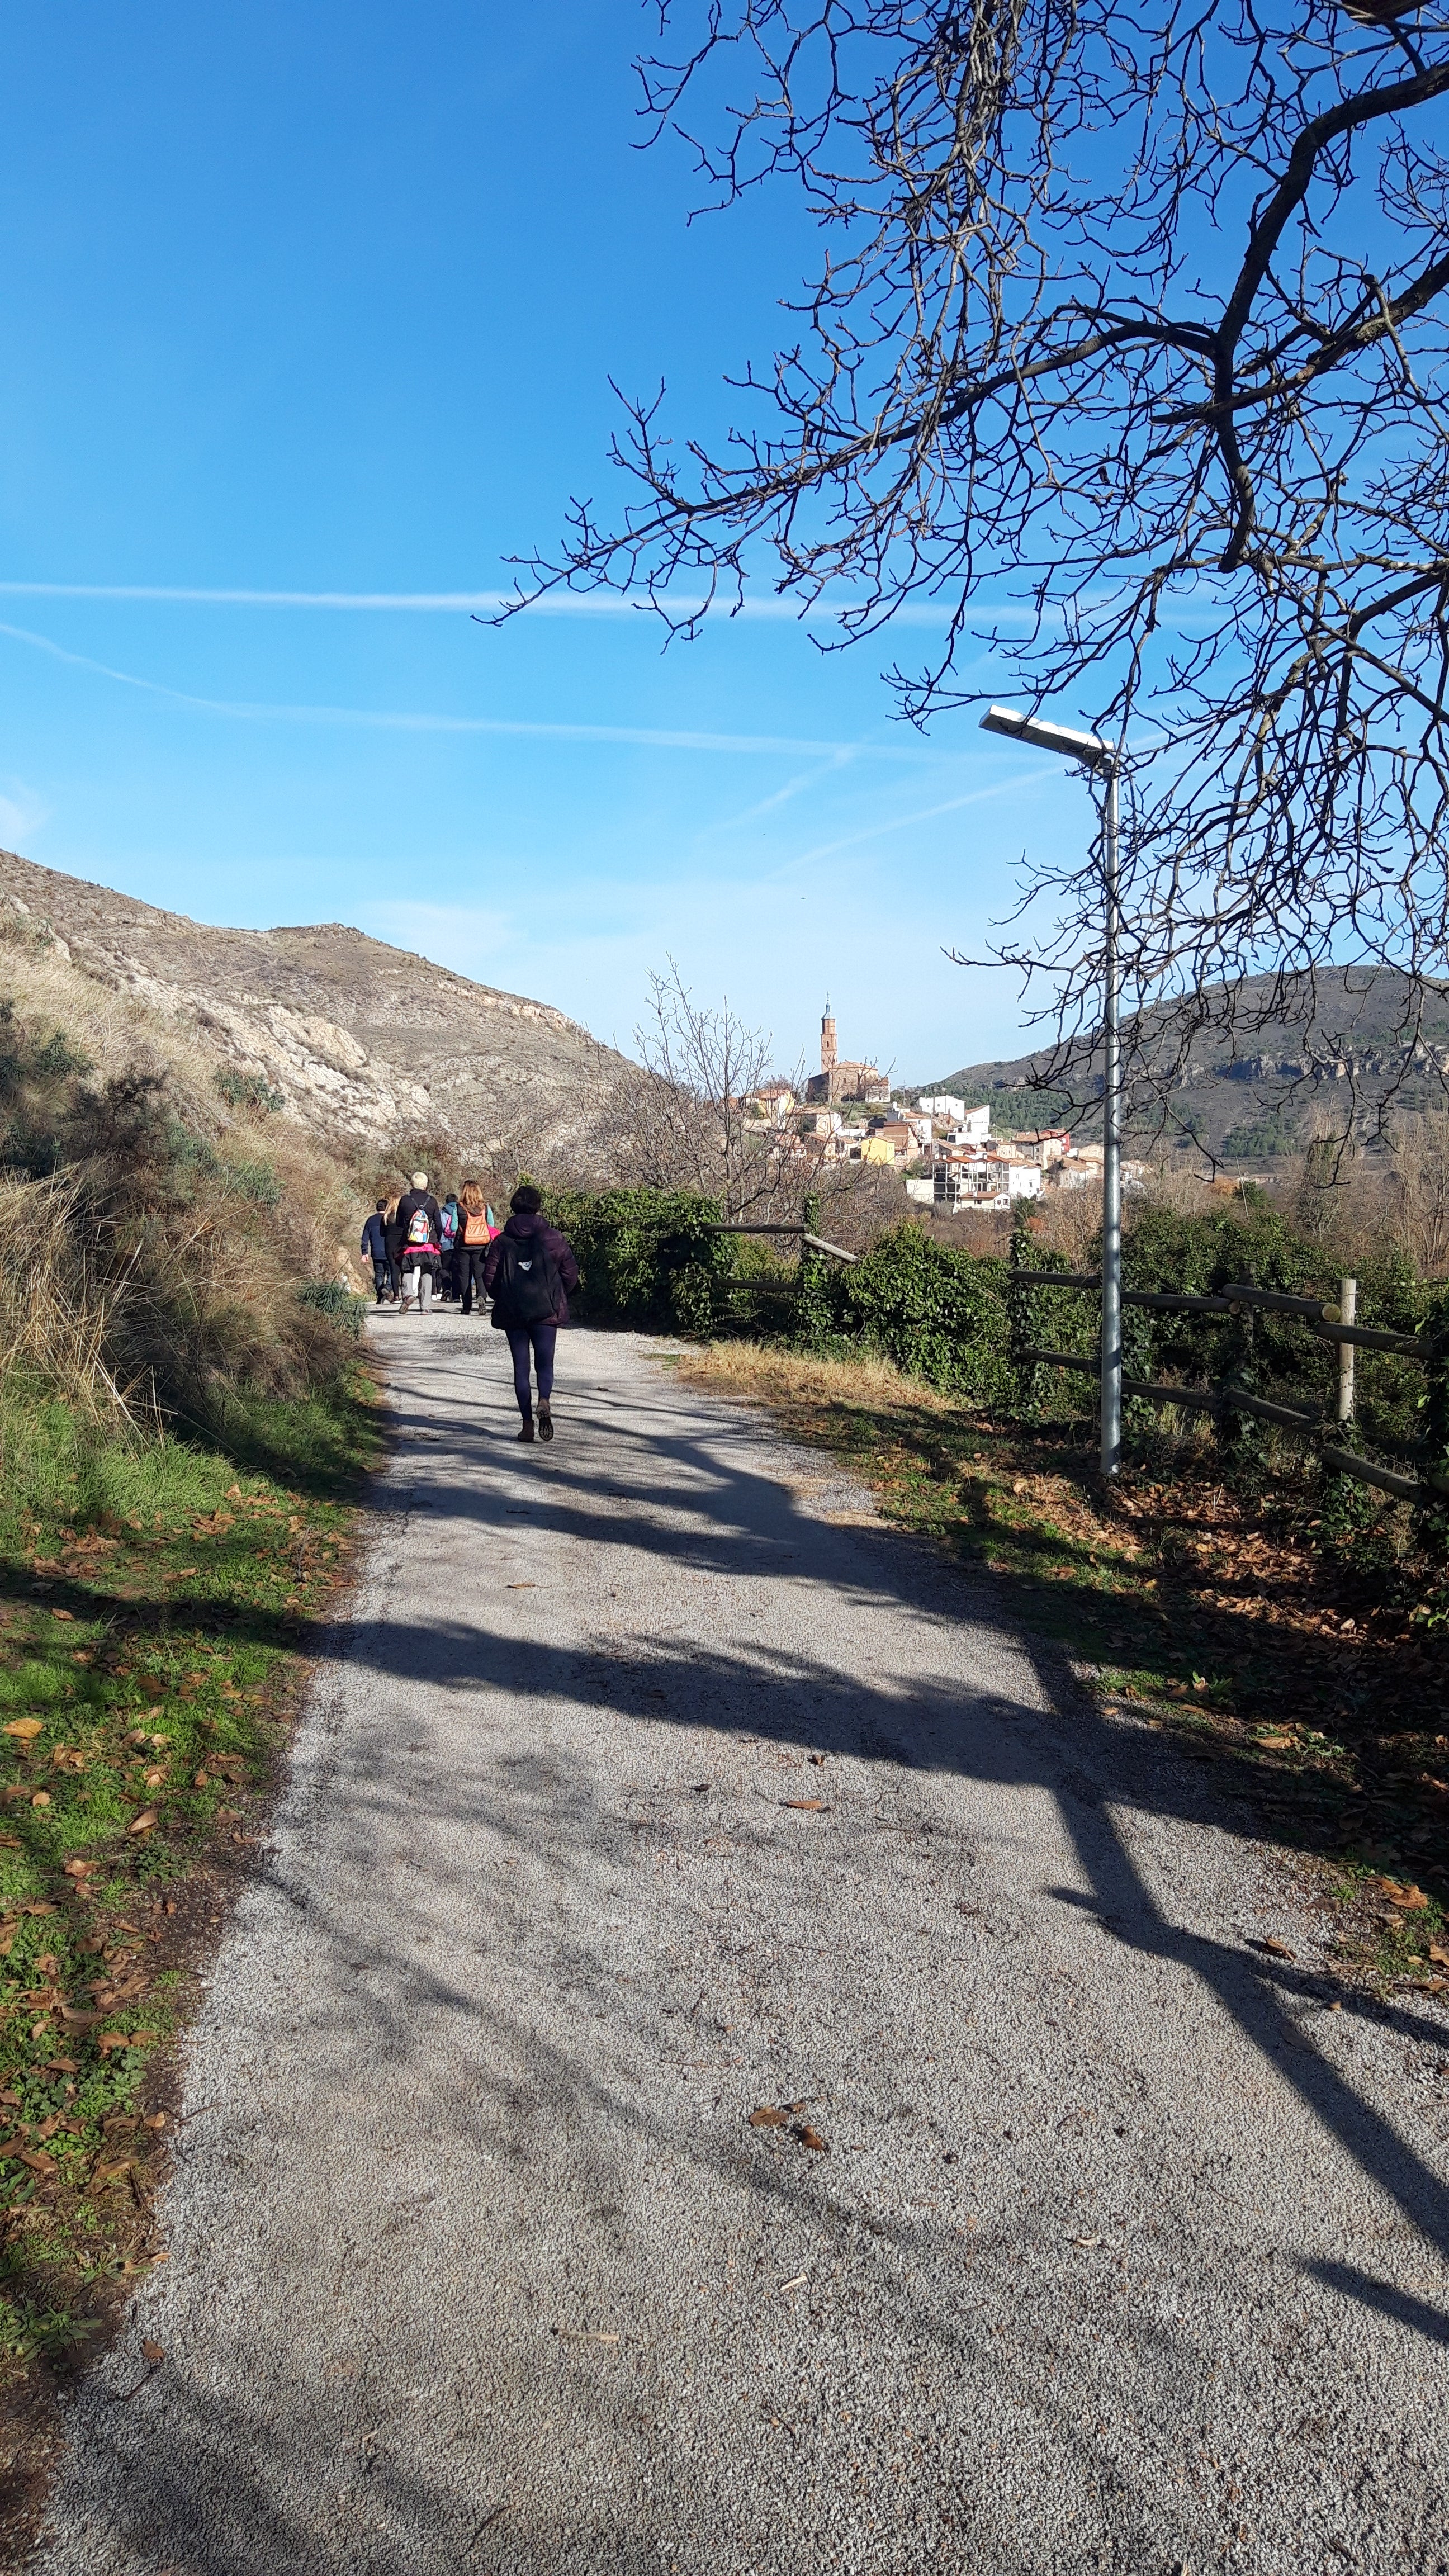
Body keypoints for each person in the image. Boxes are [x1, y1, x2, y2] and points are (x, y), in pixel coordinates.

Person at [482, 1185, 579, 1442]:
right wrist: (557, 1294)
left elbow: (489, 1279)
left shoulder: (501, 1242)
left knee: (521, 1368)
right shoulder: (554, 1239)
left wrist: (505, 1297)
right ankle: (544, 1401)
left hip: (514, 1313)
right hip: (547, 1312)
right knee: (545, 1364)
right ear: (538, 1207)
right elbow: (571, 1275)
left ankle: (526, 1425)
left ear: (513, 1207)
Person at [396, 1171, 443, 1315]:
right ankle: (425, 1307)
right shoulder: (432, 1201)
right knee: (427, 1271)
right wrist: (436, 1239)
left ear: (412, 1183)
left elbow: (399, 1222)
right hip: (428, 1243)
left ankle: (408, 1295)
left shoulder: (405, 1200)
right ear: (426, 1184)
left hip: (410, 1243)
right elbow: (439, 1224)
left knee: (408, 1269)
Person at [456, 1181, 497, 1316]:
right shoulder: (485, 1207)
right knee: (480, 1274)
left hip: (463, 1245)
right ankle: (482, 1298)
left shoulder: (459, 1207)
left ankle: (467, 1306)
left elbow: (451, 1228)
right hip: (481, 1245)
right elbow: (491, 1224)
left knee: (464, 1276)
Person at [360, 1200, 394, 1304]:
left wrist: (365, 1252)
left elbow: (365, 1238)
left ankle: (380, 1298)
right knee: (392, 1272)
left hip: (376, 1252)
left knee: (379, 1275)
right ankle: (388, 1288)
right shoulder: (390, 1219)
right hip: (389, 1252)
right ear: (387, 1208)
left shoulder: (370, 1220)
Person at [438, 1191, 461, 1300]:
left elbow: (439, 1228)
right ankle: (456, 1295)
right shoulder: (460, 1211)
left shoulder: (442, 1213)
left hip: (445, 1244)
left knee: (444, 1268)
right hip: (458, 1244)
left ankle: (446, 1288)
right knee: (456, 1270)